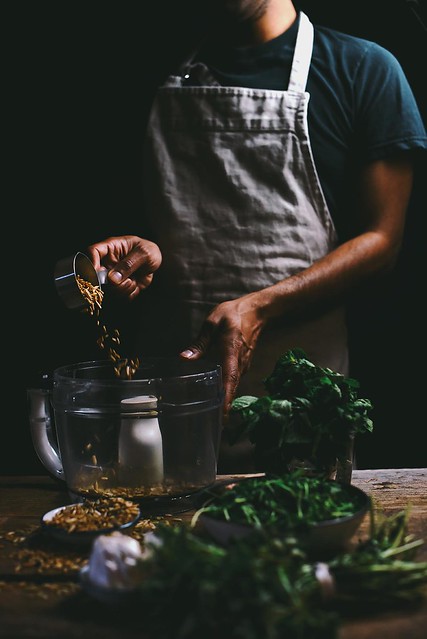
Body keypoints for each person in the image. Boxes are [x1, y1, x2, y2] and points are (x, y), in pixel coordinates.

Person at [87, 0, 426, 470]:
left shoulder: (363, 69)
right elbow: (157, 209)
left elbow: (382, 242)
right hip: (167, 395)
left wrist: (261, 306)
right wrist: (142, 251)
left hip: (302, 402)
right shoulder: (149, 65)